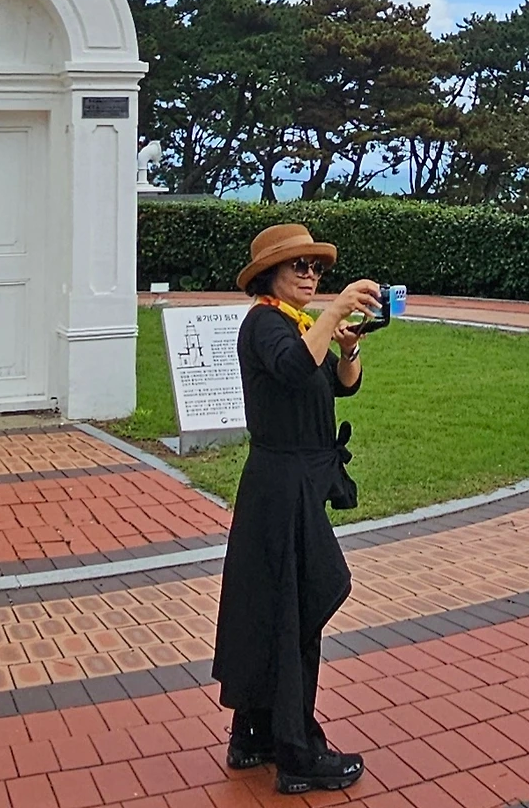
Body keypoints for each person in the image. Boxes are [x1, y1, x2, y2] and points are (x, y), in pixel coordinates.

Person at [213, 223, 381, 795]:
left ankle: (255, 733)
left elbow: (338, 383)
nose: (311, 276)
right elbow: (291, 369)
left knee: (277, 607)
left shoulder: (297, 325)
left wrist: (349, 346)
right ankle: (297, 751)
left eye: (317, 268)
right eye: (299, 267)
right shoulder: (265, 324)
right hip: (281, 485)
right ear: (270, 276)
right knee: (297, 609)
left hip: (294, 485)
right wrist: (333, 313)